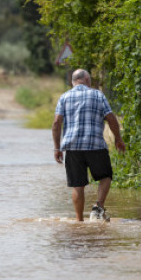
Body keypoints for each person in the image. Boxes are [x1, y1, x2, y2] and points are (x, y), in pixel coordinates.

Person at [52, 69, 125, 222]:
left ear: (73, 81)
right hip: (95, 145)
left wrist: (57, 148)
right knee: (105, 176)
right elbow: (111, 118)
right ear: (87, 80)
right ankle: (98, 208)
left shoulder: (64, 97)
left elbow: (56, 123)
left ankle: (79, 222)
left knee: (77, 185)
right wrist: (118, 139)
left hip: (72, 147)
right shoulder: (98, 95)